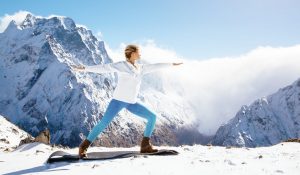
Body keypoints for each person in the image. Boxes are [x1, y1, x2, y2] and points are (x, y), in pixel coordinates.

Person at [72, 44, 183, 158]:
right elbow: (104, 68)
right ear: (132, 53)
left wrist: (171, 64)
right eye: (138, 52)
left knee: (152, 117)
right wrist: (85, 68)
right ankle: (83, 146)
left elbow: (155, 66)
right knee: (103, 124)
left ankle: (145, 146)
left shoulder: (141, 68)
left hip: (132, 102)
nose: (140, 54)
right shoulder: (121, 65)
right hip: (118, 101)